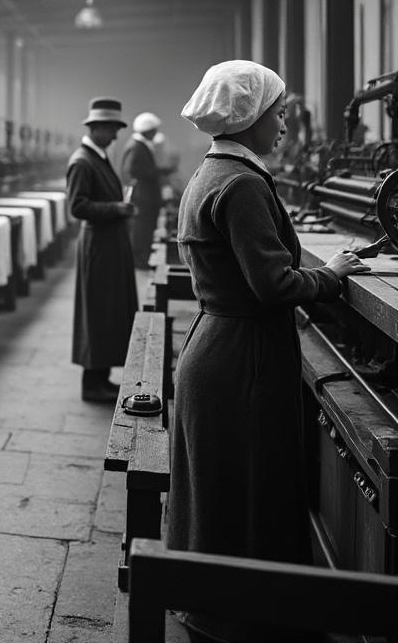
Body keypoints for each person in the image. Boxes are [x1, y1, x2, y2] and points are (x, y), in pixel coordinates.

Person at [167, 61, 369, 643]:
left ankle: (213, 602)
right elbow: (274, 285)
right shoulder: (244, 185)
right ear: (250, 117)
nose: (284, 125)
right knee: (246, 485)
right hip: (243, 359)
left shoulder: (212, 172)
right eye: (278, 114)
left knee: (223, 484)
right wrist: (330, 274)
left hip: (219, 346)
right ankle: (239, 617)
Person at [66, 97, 139, 402]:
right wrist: (117, 207)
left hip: (108, 244)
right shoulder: (82, 161)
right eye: (111, 128)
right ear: (96, 127)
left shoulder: (98, 157)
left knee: (108, 311)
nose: (115, 134)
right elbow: (77, 207)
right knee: (97, 311)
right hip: (98, 246)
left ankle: (102, 378)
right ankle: (92, 384)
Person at [121, 111, 163, 268]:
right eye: (154, 130)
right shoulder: (137, 146)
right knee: (142, 230)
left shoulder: (138, 145)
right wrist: (155, 172)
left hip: (144, 195)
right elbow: (131, 170)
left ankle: (141, 258)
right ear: (149, 130)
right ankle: (140, 260)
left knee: (144, 229)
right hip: (142, 196)